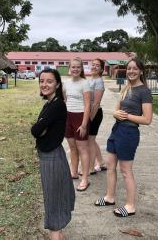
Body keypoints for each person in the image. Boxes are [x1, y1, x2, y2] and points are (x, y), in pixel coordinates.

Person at [94, 58, 153, 218]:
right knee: (110, 165)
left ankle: (130, 206)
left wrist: (127, 116)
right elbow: (116, 110)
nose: (131, 71)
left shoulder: (144, 91)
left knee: (126, 171)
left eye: (134, 68)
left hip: (129, 133)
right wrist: (115, 113)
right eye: (129, 69)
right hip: (117, 130)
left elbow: (147, 119)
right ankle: (109, 197)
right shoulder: (126, 88)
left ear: (141, 71)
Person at [31, 69, 75, 240]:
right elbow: (39, 130)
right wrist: (41, 127)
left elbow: (35, 130)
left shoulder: (57, 105)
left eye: (49, 81)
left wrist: (41, 127)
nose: (44, 84)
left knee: (53, 201)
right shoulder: (50, 103)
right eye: (42, 80)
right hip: (50, 155)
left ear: (57, 84)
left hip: (52, 157)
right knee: (54, 197)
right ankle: (59, 235)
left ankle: (56, 235)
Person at [64, 57, 91, 192]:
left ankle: (85, 179)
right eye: (73, 67)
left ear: (81, 69)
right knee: (73, 148)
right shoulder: (66, 83)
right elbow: (65, 99)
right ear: (70, 68)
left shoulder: (85, 83)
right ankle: (73, 172)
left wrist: (84, 124)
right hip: (68, 117)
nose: (75, 69)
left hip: (80, 118)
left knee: (83, 150)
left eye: (78, 67)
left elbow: (87, 105)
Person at [88, 58, 106, 174]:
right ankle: (101, 161)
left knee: (90, 141)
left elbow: (96, 103)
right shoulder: (91, 79)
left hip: (94, 114)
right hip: (89, 113)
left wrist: (89, 119)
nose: (94, 67)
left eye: (97, 65)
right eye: (93, 64)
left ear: (101, 69)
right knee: (92, 141)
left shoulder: (99, 81)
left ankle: (90, 169)